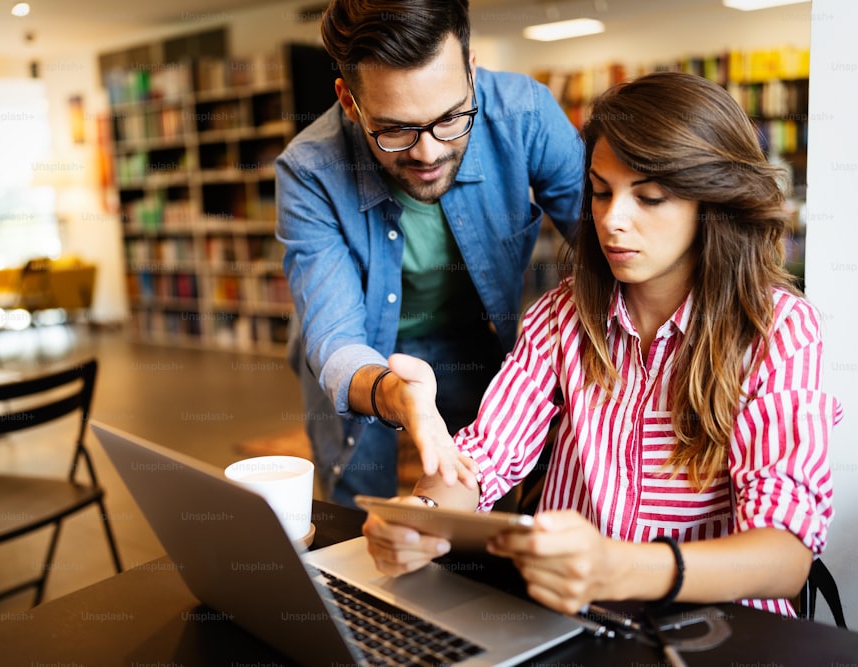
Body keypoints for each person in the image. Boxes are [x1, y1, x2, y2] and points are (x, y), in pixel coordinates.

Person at [362, 71, 842, 617]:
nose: (613, 220)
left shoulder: (777, 329)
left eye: (651, 197)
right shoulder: (561, 315)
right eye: (600, 191)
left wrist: (618, 567)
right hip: (572, 619)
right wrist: (421, 517)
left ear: (714, 201)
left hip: (720, 633)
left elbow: (785, 556)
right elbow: (483, 457)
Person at [275, 0, 584, 507]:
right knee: (358, 512)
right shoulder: (309, 170)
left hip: (472, 339)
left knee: (480, 494)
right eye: (395, 129)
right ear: (349, 103)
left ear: (472, 70)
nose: (428, 153)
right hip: (364, 357)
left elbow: (605, 241)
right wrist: (395, 394)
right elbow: (335, 339)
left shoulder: (525, 114)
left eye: (451, 117)